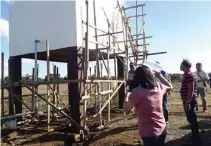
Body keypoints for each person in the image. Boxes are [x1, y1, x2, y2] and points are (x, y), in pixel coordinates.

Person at [123, 65, 173, 146]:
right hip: (162, 128)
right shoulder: (159, 86)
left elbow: (125, 109)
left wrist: (127, 96)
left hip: (148, 133)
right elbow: (171, 87)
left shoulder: (137, 92)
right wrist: (160, 76)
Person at [180, 59, 200, 146]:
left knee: (192, 120)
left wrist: (187, 102)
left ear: (185, 66)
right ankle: (194, 137)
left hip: (190, 101)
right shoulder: (187, 75)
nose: (180, 66)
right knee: (191, 120)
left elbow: (191, 91)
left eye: (181, 65)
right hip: (188, 101)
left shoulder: (189, 75)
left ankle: (196, 140)